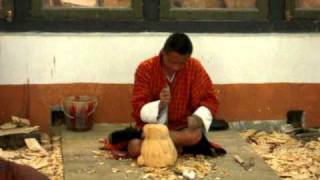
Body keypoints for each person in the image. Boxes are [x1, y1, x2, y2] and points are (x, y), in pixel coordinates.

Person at [127, 33, 220, 157]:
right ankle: (171, 144)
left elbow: (210, 99)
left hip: (181, 127)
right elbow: (138, 106)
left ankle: (157, 143)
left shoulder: (194, 67)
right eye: (171, 62)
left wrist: (196, 119)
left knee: (194, 135)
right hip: (153, 127)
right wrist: (160, 105)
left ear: (188, 58)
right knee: (134, 148)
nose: (176, 67)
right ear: (163, 53)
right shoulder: (146, 68)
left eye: (181, 63)